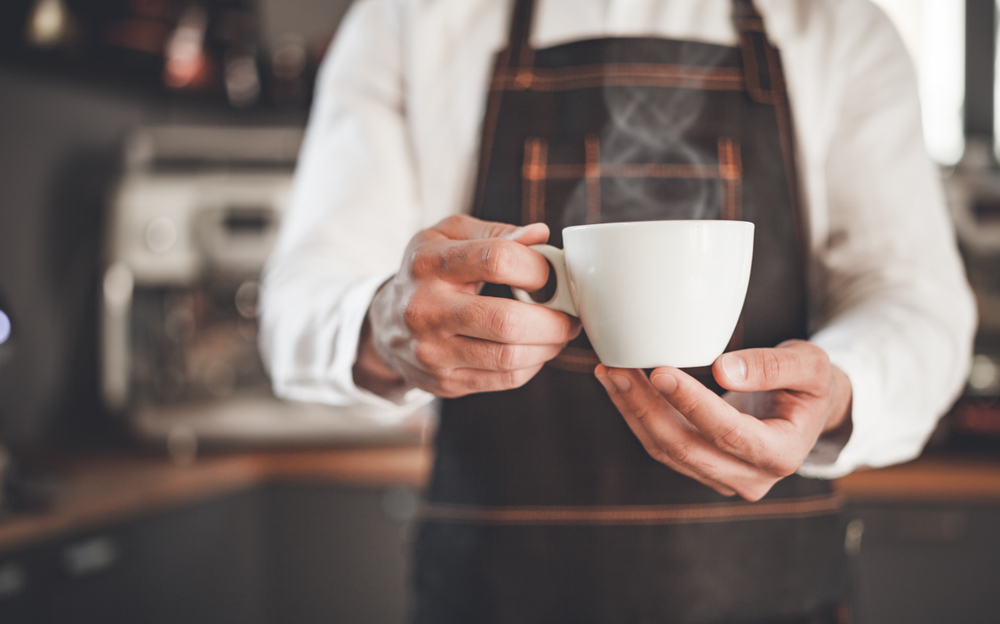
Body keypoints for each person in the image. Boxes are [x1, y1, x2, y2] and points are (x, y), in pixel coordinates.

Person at [259, 0, 976, 621]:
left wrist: (841, 389)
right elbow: (297, 304)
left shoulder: (840, 22)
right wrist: (385, 325)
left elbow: (916, 303)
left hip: (773, 594)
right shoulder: (407, 16)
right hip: (492, 595)